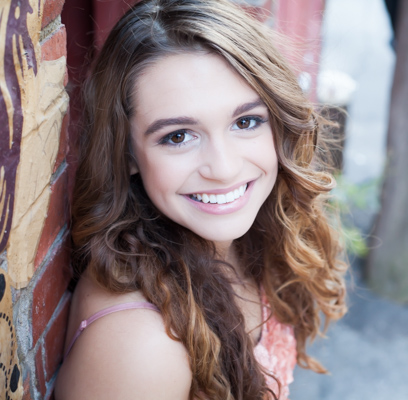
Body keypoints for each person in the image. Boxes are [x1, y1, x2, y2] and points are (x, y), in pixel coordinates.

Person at [54, 0, 348, 399]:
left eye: (246, 122)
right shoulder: (143, 347)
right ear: (127, 154)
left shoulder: (251, 235)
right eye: (178, 136)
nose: (224, 168)